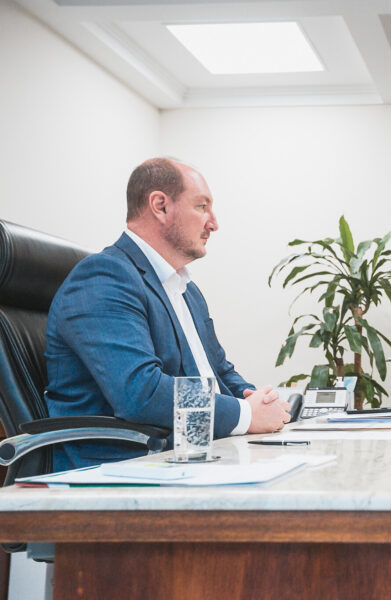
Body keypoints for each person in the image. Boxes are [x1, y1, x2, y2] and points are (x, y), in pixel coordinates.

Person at [45, 158, 291, 470]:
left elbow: (221, 373)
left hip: (192, 454)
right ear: (160, 206)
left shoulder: (184, 288)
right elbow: (141, 392)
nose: (213, 223)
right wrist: (246, 415)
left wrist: (262, 403)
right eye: (202, 206)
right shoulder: (104, 277)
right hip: (124, 469)